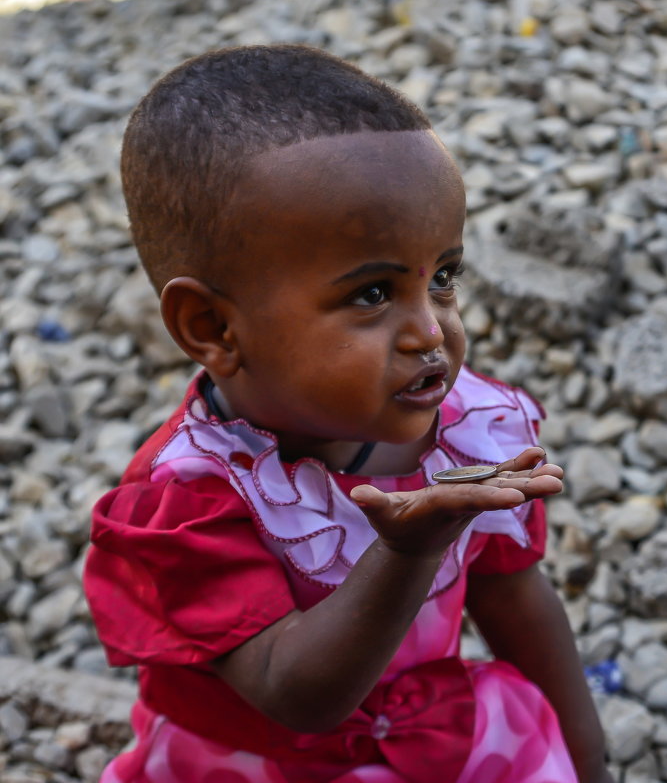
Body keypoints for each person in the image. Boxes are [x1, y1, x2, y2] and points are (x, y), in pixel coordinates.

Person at [84, 44, 612, 783]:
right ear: (212, 327)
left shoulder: (465, 431)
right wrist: (405, 554)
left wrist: (590, 758)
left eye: (444, 277)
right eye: (372, 294)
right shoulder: (192, 498)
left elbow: (514, 595)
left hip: (448, 742)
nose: (431, 331)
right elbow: (298, 694)